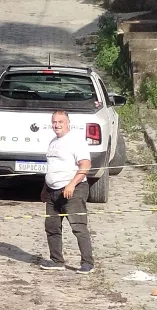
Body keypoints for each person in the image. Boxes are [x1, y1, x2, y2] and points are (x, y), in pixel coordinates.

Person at [40, 110, 95, 275]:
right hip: (52, 191)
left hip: (73, 190)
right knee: (51, 226)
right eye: (54, 122)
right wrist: (45, 189)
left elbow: (85, 165)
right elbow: (52, 168)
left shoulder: (75, 141)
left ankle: (88, 263)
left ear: (67, 123)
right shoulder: (53, 142)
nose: (56, 125)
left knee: (78, 226)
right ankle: (57, 261)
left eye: (60, 122)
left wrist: (71, 185)